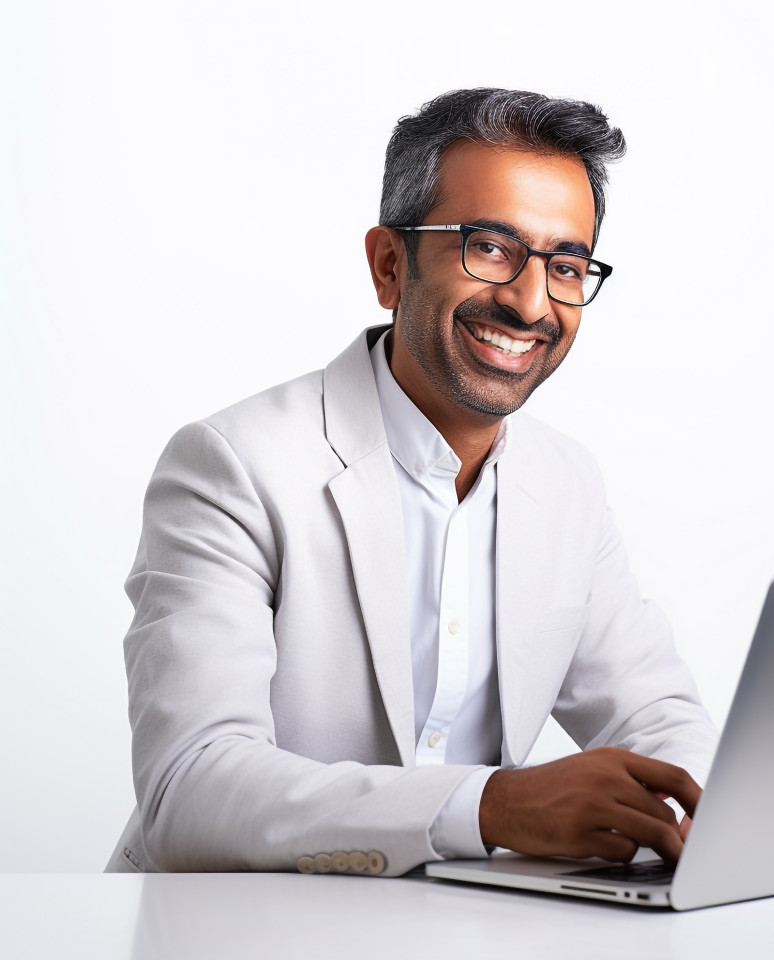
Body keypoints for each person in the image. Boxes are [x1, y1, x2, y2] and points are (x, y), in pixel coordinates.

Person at [106, 88, 718, 878]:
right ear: (390, 266)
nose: (531, 303)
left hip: (467, 928)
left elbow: (658, 715)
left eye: (565, 265)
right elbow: (188, 789)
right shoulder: (231, 465)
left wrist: (701, 815)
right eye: (490, 248)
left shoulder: (566, 484)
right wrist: (494, 806)